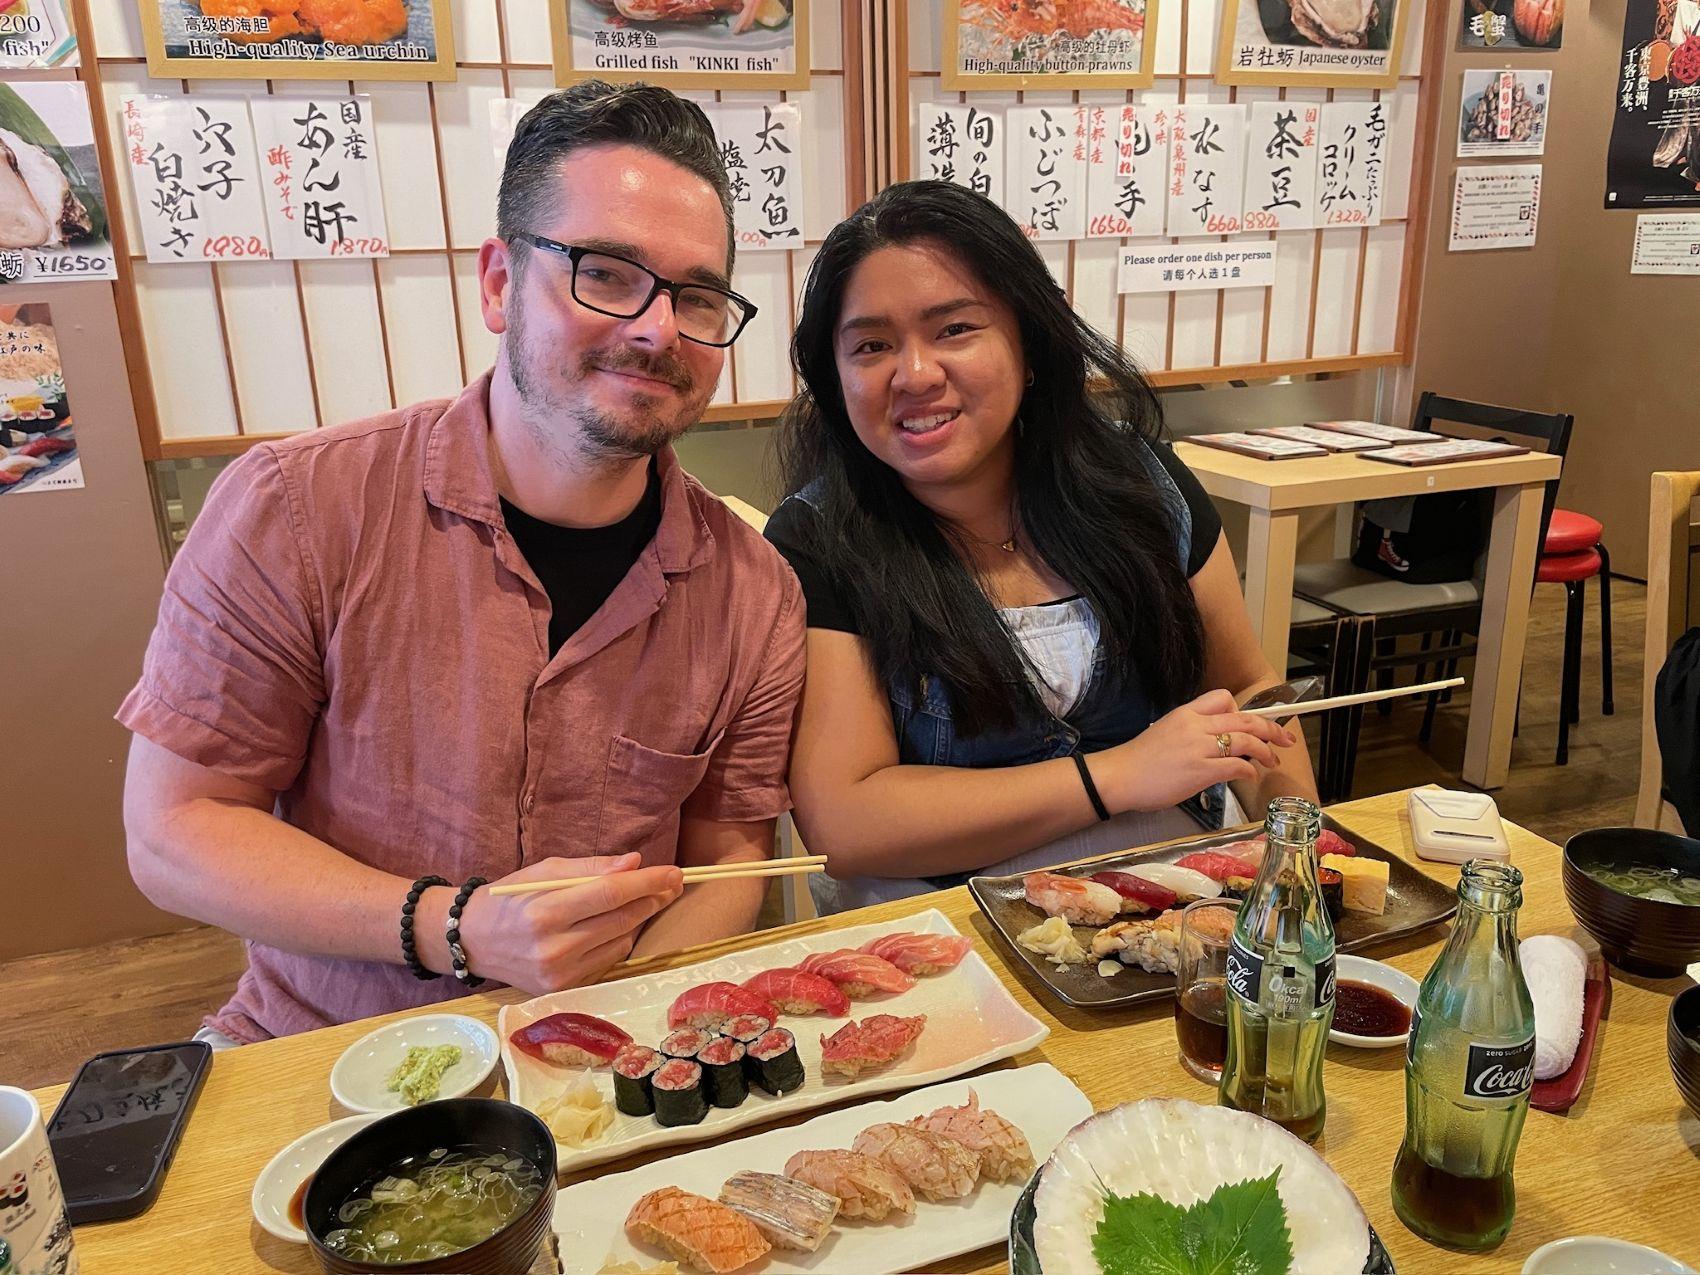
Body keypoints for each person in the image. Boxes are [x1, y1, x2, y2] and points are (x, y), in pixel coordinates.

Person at [117, 82, 805, 1044]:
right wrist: (454, 925)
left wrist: (587, 1034)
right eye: (607, 273)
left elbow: (728, 860)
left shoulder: (755, 594)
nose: (657, 329)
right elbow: (173, 830)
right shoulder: (296, 507)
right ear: (497, 283)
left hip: (610, 1048)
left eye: (696, 297)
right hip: (318, 1045)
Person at [763, 181, 1317, 913]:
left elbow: (1249, 692)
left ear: (1029, 344)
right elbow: (850, 820)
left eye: (954, 328)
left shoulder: (1144, 487)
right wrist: (1116, 775)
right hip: (944, 932)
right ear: (834, 379)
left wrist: (1299, 856)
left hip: (1169, 902)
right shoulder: (819, 540)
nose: (916, 373)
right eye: (871, 345)